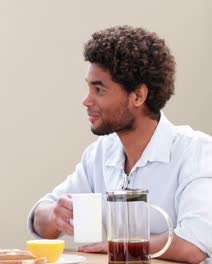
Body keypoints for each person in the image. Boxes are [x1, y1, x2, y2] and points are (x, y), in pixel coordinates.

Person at [28, 26, 211, 263]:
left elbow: (193, 245)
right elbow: (40, 221)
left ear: (138, 96)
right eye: (89, 88)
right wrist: (54, 216)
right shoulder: (101, 153)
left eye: (99, 90)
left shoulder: (196, 152)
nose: (87, 100)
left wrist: (120, 245)